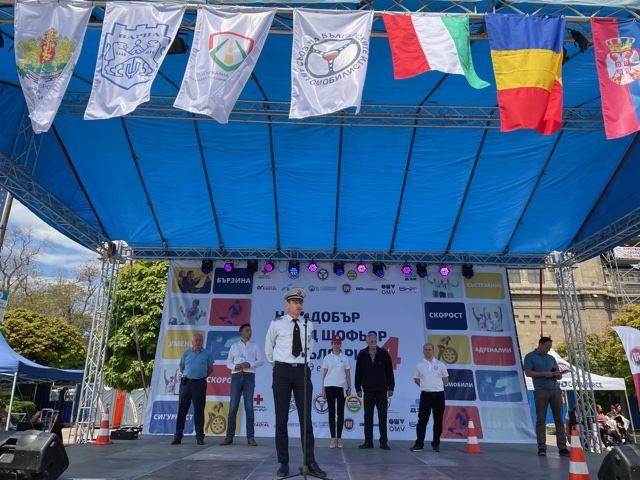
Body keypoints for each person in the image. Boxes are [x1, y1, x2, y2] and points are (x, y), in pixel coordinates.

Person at [264, 288, 326, 479]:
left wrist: (299, 364)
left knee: (305, 419)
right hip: (282, 371)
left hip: (302, 371)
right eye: (295, 302)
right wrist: (279, 366)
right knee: (281, 419)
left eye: (300, 302)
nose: (299, 305)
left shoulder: (308, 324)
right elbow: (269, 348)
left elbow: (310, 348)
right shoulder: (277, 323)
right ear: (287, 304)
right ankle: (283, 463)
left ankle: (310, 462)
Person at [523, 336, 570, 457]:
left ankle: (562, 447)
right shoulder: (530, 356)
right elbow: (528, 373)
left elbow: (558, 374)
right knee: (541, 419)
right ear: (541, 345)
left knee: (559, 419)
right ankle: (542, 447)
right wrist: (544, 374)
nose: (549, 350)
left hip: (555, 389)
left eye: (550, 348)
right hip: (541, 390)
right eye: (547, 347)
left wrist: (558, 374)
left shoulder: (551, 358)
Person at [220, 323, 263, 446]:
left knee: (249, 408)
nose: (250, 332)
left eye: (250, 330)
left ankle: (250, 437)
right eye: (247, 330)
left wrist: (250, 364)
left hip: (249, 377)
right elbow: (228, 362)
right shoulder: (234, 346)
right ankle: (229, 437)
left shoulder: (255, 346)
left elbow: (260, 361)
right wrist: (235, 366)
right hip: (236, 377)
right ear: (241, 332)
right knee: (233, 407)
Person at [171, 333, 215, 445]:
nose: (198, 342)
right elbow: (182, 368)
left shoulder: (207, 353)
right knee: (182, 410)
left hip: (199, 384)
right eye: (196, 340)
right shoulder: (186, 353)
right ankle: (178, 436)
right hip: (186, 384)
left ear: (202, 342)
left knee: (199, 411)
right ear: (192, 342)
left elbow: (210, 369)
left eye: (200, 340)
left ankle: (199, 437)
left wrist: (200, 376)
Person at [355, 331, 395, 450]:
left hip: (381, 390)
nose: (374, 343)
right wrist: (358, 387)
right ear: (367, 342)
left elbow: (389, 371)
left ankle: (383, 442)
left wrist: (391, 387)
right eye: (371, 341)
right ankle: (368, 441)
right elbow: (358, 372)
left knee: (383, 416)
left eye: (375, 341)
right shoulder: (362, 354)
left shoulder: (384, 353)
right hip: (368, 390)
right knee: (368, 416)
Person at [410, 343, 449, 452]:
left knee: (438, 420)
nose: (427, 351)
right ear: (423, 351)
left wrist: (436, 387)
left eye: (429, 349)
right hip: (425, 395)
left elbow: (445, 380)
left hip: (439, 395)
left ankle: (436, 444)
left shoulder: (440, 364)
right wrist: (425, 386)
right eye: (425, 349)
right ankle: (419, 444)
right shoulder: (419, 365)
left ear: (433, 350)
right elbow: (416, 379)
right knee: (422, 420)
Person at [321, 334, 351, 449]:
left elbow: (347, 373)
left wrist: (349, 387)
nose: (336, 346)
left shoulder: (345, 358)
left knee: (340, 413)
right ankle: (332, 437)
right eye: (334, 343)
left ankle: (339, 437)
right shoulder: (327, 358)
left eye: (338, 343)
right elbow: (324, 374)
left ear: (341, 344)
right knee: (331, 412)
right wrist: (323, 388)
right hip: (329, 386)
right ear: (331, 344)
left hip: (341, 387)